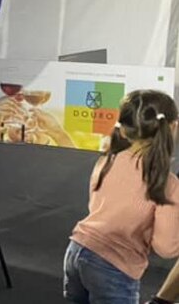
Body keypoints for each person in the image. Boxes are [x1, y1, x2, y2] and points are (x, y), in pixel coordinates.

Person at [64, 90, 179, 304]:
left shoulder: (106, 161)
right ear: (172, 127)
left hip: (76, 250)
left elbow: (97, 207)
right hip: (114, 268)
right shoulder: (168, 184)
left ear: (123, 130)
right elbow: (166, 248)